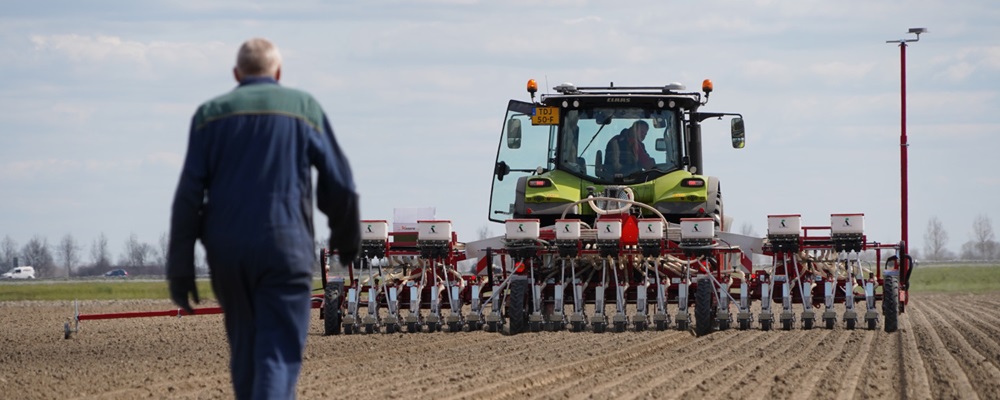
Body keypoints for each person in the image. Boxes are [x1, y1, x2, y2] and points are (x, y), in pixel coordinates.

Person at [166, 37, 360, 400]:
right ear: (279, 72)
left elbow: (188, 195)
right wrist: (346, 242)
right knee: (277, 356)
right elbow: (341, 184)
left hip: (228, 254)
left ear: (237, 74)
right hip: (285, 252)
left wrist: (180, 269)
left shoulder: (209, 114)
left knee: (246, 353)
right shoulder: (303, 107)